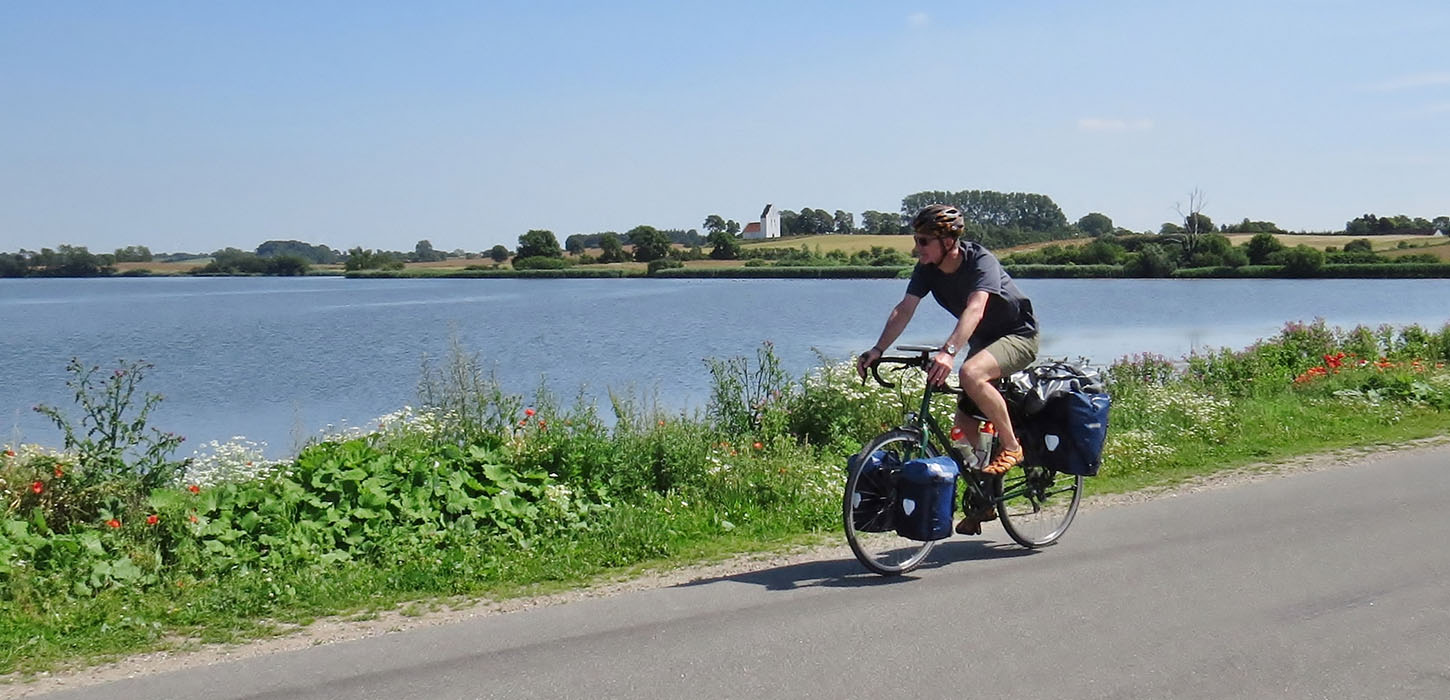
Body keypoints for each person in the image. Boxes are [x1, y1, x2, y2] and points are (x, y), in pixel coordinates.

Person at [855, 204, 1040, 535]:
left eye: (924, 241)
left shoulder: (980, 262)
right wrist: (878, 349)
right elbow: (904, 309)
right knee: (963, 431)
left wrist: (949, 351)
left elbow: (975, 308)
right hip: (983, 342)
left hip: (1017, 336)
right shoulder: (927, 269)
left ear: (948, 241)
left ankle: (1013, 447)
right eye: (916, 240)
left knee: (970, 374)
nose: (917, 248)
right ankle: (984, 497)